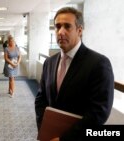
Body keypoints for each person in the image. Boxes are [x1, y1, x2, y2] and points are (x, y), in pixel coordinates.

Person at [35, 7, 114, 141]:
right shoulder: (49, 62)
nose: (61, 32)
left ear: (79, 30)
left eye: (67, 26)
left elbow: (98, 113)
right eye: (57, 27)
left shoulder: (99, 63)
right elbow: (41, 98)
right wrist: (44, 129)